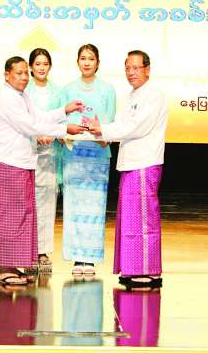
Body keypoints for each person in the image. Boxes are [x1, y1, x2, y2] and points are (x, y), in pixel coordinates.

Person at [0, 56, 84, 286]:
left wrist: (64, 110)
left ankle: (12, 266)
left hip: (21, 163)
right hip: (9, 163)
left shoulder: (22, 96)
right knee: (9, 216)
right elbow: (31, 126)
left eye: (24, 73)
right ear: (6, 75)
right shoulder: (7, 99)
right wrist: (64, 129)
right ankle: (4, 269)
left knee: (20, 216)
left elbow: (40, 116)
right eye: (18, 73)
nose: (23, 77)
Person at [85, 50, 168, 288]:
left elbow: (137, 127)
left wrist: (104, 131)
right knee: (132, 220)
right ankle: (132, 268)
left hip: (144, 162)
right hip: (130, 163)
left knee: (144, 221)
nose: (131, 73)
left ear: (147, 69)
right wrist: (100, 128)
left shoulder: (154, 95)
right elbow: (121, 124)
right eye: (127, 68)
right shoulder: (131, 95)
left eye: (136, 68)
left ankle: (148, 271)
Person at [61, 44, 116, 276]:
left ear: (98, 62)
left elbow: (110, 121)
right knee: (74, 207)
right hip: (74, 153)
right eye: (82, 58)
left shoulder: (107, 90)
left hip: (98, 154)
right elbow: (61, 120)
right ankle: (76, 257)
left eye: (91, 58)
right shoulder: (68, 89)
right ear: (77, 62)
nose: (86, 62)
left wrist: (102, 133)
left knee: (94, 207)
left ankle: (90, 259)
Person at [25, 48, 65, 273]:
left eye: (45, 64)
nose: (41, 67)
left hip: (50, 153)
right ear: (31, 67)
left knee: (47, 203)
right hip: (27, 152)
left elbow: (63, 119)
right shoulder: (24, 90)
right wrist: (35, 134)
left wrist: (52, 134)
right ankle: (27, 250)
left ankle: (43, 251)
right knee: (28, 203)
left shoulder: (58, 92)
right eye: (37, 64)